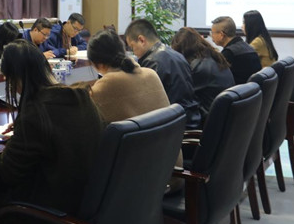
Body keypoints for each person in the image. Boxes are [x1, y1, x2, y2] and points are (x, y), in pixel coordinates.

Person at [0, 40, 104, 224]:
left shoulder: (36, 114)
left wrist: (18, 134)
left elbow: (9, 173)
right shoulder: (82, 98)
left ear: (16, 79)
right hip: (86, 210)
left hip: (49, 219)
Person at [87, 28, 183, 192]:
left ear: (97, 64)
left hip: (142, 187)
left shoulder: (103, 87)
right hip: (173, 174)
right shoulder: (150, 74)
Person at [124, 19, 202, 129]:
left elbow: (146, 104)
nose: (134, 53)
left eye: (132, 47)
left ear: (141, 40)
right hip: (189, 118)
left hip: (174, 125)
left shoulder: (152, 62)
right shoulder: (176, 55)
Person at [171, 27, 235, 117]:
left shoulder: (199, 68)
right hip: (222, 115)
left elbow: (181, 95)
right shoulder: (213, 57)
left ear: (182, 50)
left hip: (208, 119)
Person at [211, 16, 261, 84]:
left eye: (212, 33)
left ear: (221, 34)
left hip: (238, 89)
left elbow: (215, 77)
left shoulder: (229, 53)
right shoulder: (248, 47)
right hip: (251, 89)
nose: (211, 36)